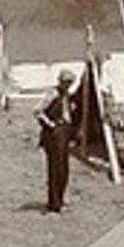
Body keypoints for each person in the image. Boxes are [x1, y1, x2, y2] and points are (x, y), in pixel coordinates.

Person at [35, 67, 79, 213]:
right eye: (66, 82)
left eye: (70, 82)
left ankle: (60, 199)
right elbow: (38, 111)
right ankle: (54, 203)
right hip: (54, 134)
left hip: (64, 132)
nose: (68, 85)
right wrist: (50, 124)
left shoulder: (67, 95)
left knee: (64, 169)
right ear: (60, 81)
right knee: (55, 169)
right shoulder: (53, 93)